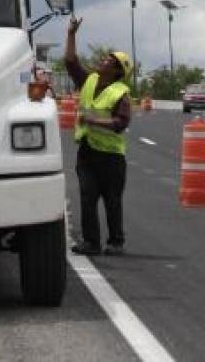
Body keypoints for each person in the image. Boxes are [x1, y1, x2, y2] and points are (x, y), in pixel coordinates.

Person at [64, 14, 132, 256]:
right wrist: (71, 33)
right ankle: (91, 242)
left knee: (112, 201)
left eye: (109, 60)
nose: (103, 60)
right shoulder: (90, 80)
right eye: (105, 58)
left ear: (116, 71)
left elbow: (121, 123)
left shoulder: (119, 93)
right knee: (86, 197)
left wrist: (93, 120)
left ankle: (116, 242)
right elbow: (71, 62)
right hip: (87, 152)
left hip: (111, 157)